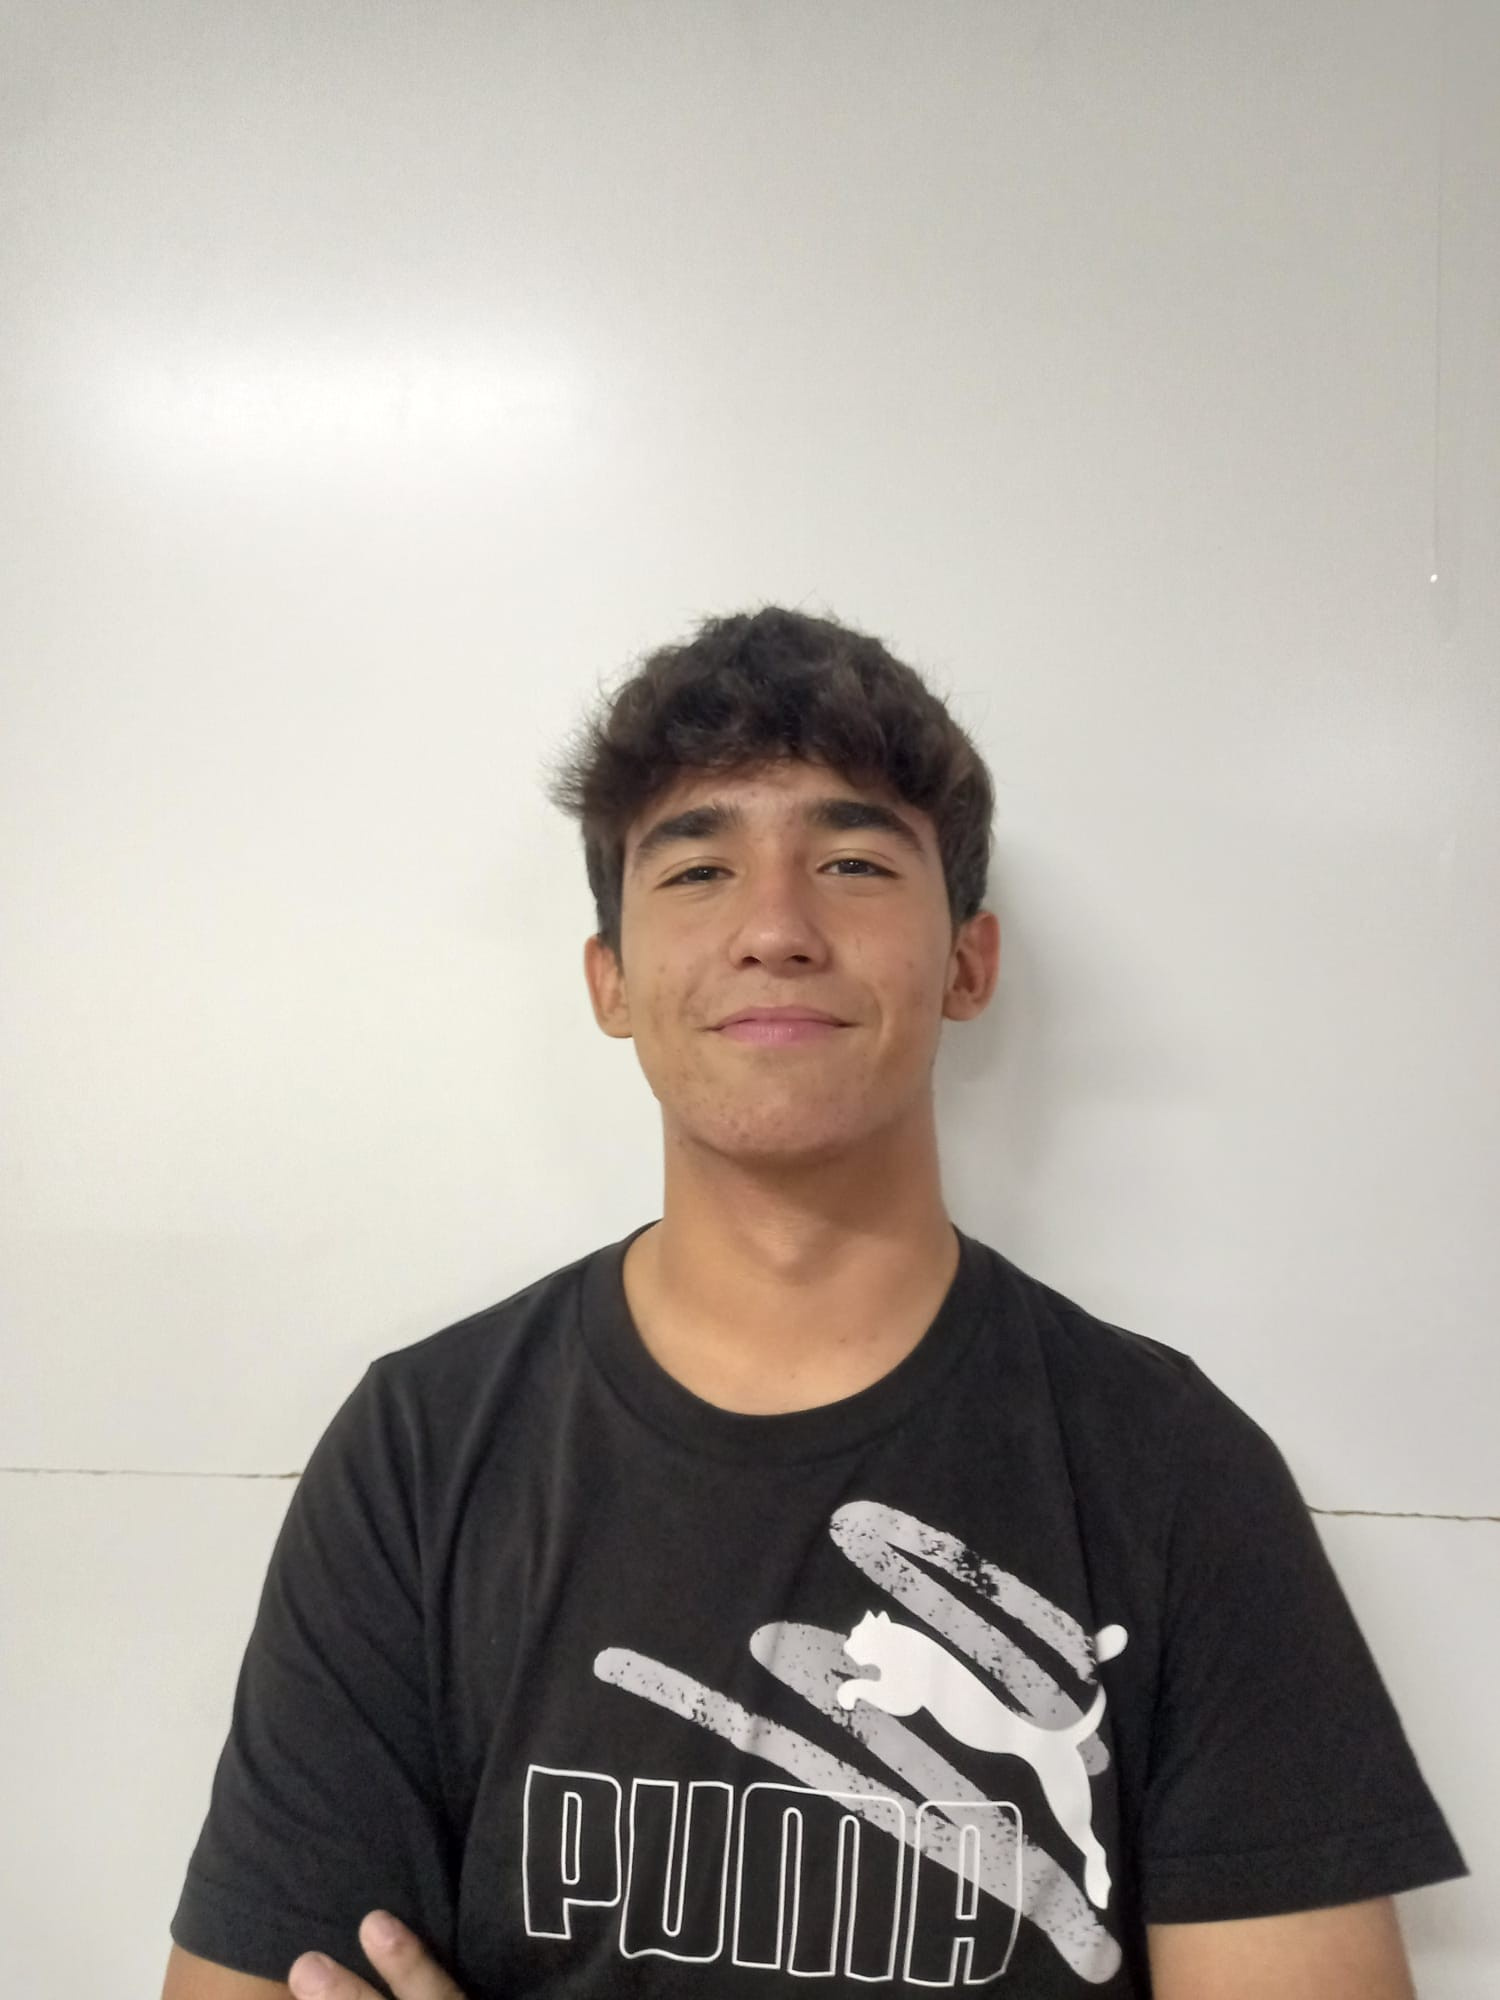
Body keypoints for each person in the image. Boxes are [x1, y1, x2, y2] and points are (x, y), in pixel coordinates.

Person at [161, 607, 1468, 2000]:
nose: (776, 928)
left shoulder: (1174, 1470)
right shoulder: (422, 1451)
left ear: (968, 963)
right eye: (698, 868)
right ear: (612, 980)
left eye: (851, 862)